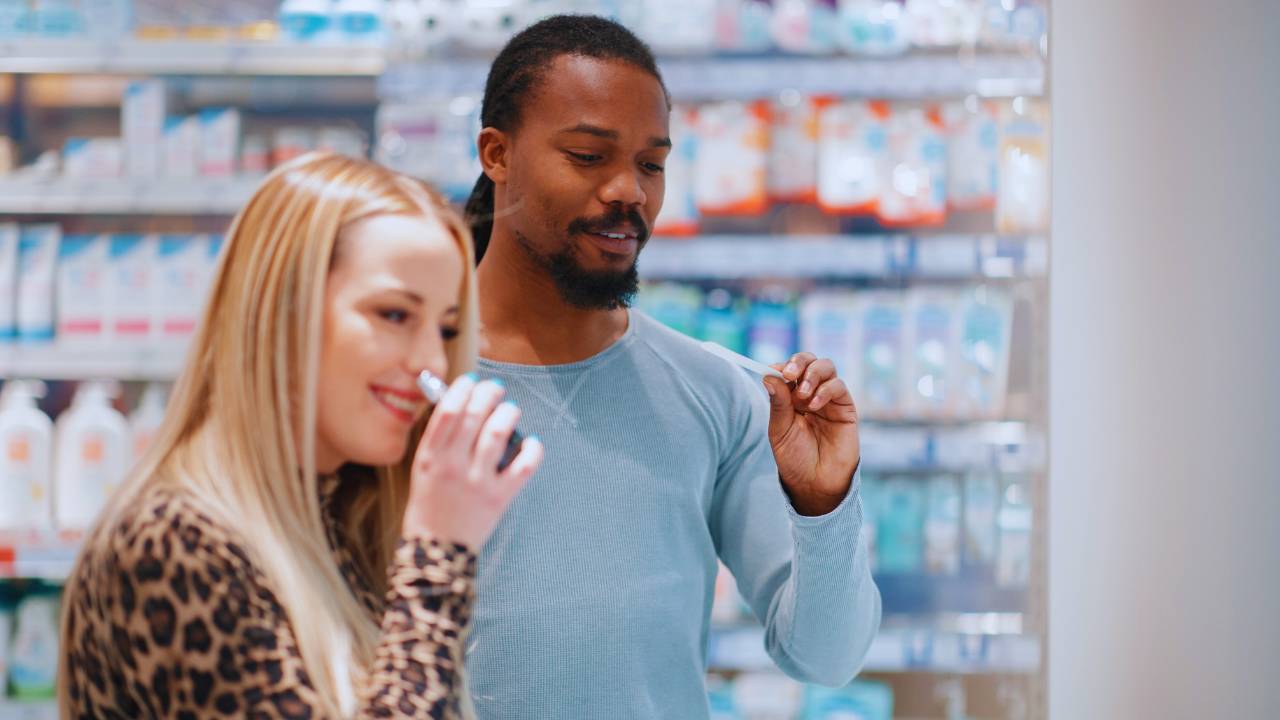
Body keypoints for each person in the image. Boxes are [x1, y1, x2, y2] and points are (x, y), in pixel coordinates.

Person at [462, 15, 881, 720]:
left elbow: (826, 657)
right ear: (497, 154)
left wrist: (823, 503)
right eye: (589, 156)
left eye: (651, 164)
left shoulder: (718, 391)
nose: (629, 190)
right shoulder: (402, 383)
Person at [58, 153, 543, 719]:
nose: (431, 360)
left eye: (447, 328)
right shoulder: (176, 541)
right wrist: (438, 555)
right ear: (281, 313)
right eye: (393, 314)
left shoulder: (344, 514)